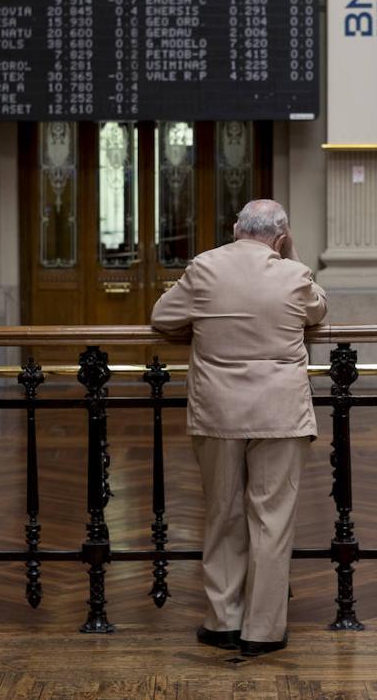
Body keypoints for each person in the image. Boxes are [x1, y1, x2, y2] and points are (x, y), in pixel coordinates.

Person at [150, 199, 327, 657]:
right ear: (282, 236)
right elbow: (318, 312)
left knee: (223, 512)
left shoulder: (204, 268)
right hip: (279, 412)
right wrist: (290, 258)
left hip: (219, 411)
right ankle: (263, 631)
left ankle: (222, 621)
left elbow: (163, 319)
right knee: (272, 520)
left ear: (234, 229)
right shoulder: (294, 273)